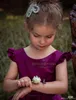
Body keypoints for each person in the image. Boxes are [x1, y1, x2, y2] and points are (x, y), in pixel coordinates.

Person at [3, 0, 72, 100]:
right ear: (27, 27)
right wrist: (18, 82)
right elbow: (6, 85)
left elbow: (62, 87)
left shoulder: (58, 58)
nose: (42, 42)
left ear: (56, 31)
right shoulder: (18, 55)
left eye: (49, 36)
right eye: (36, 35)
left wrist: (32, 86)